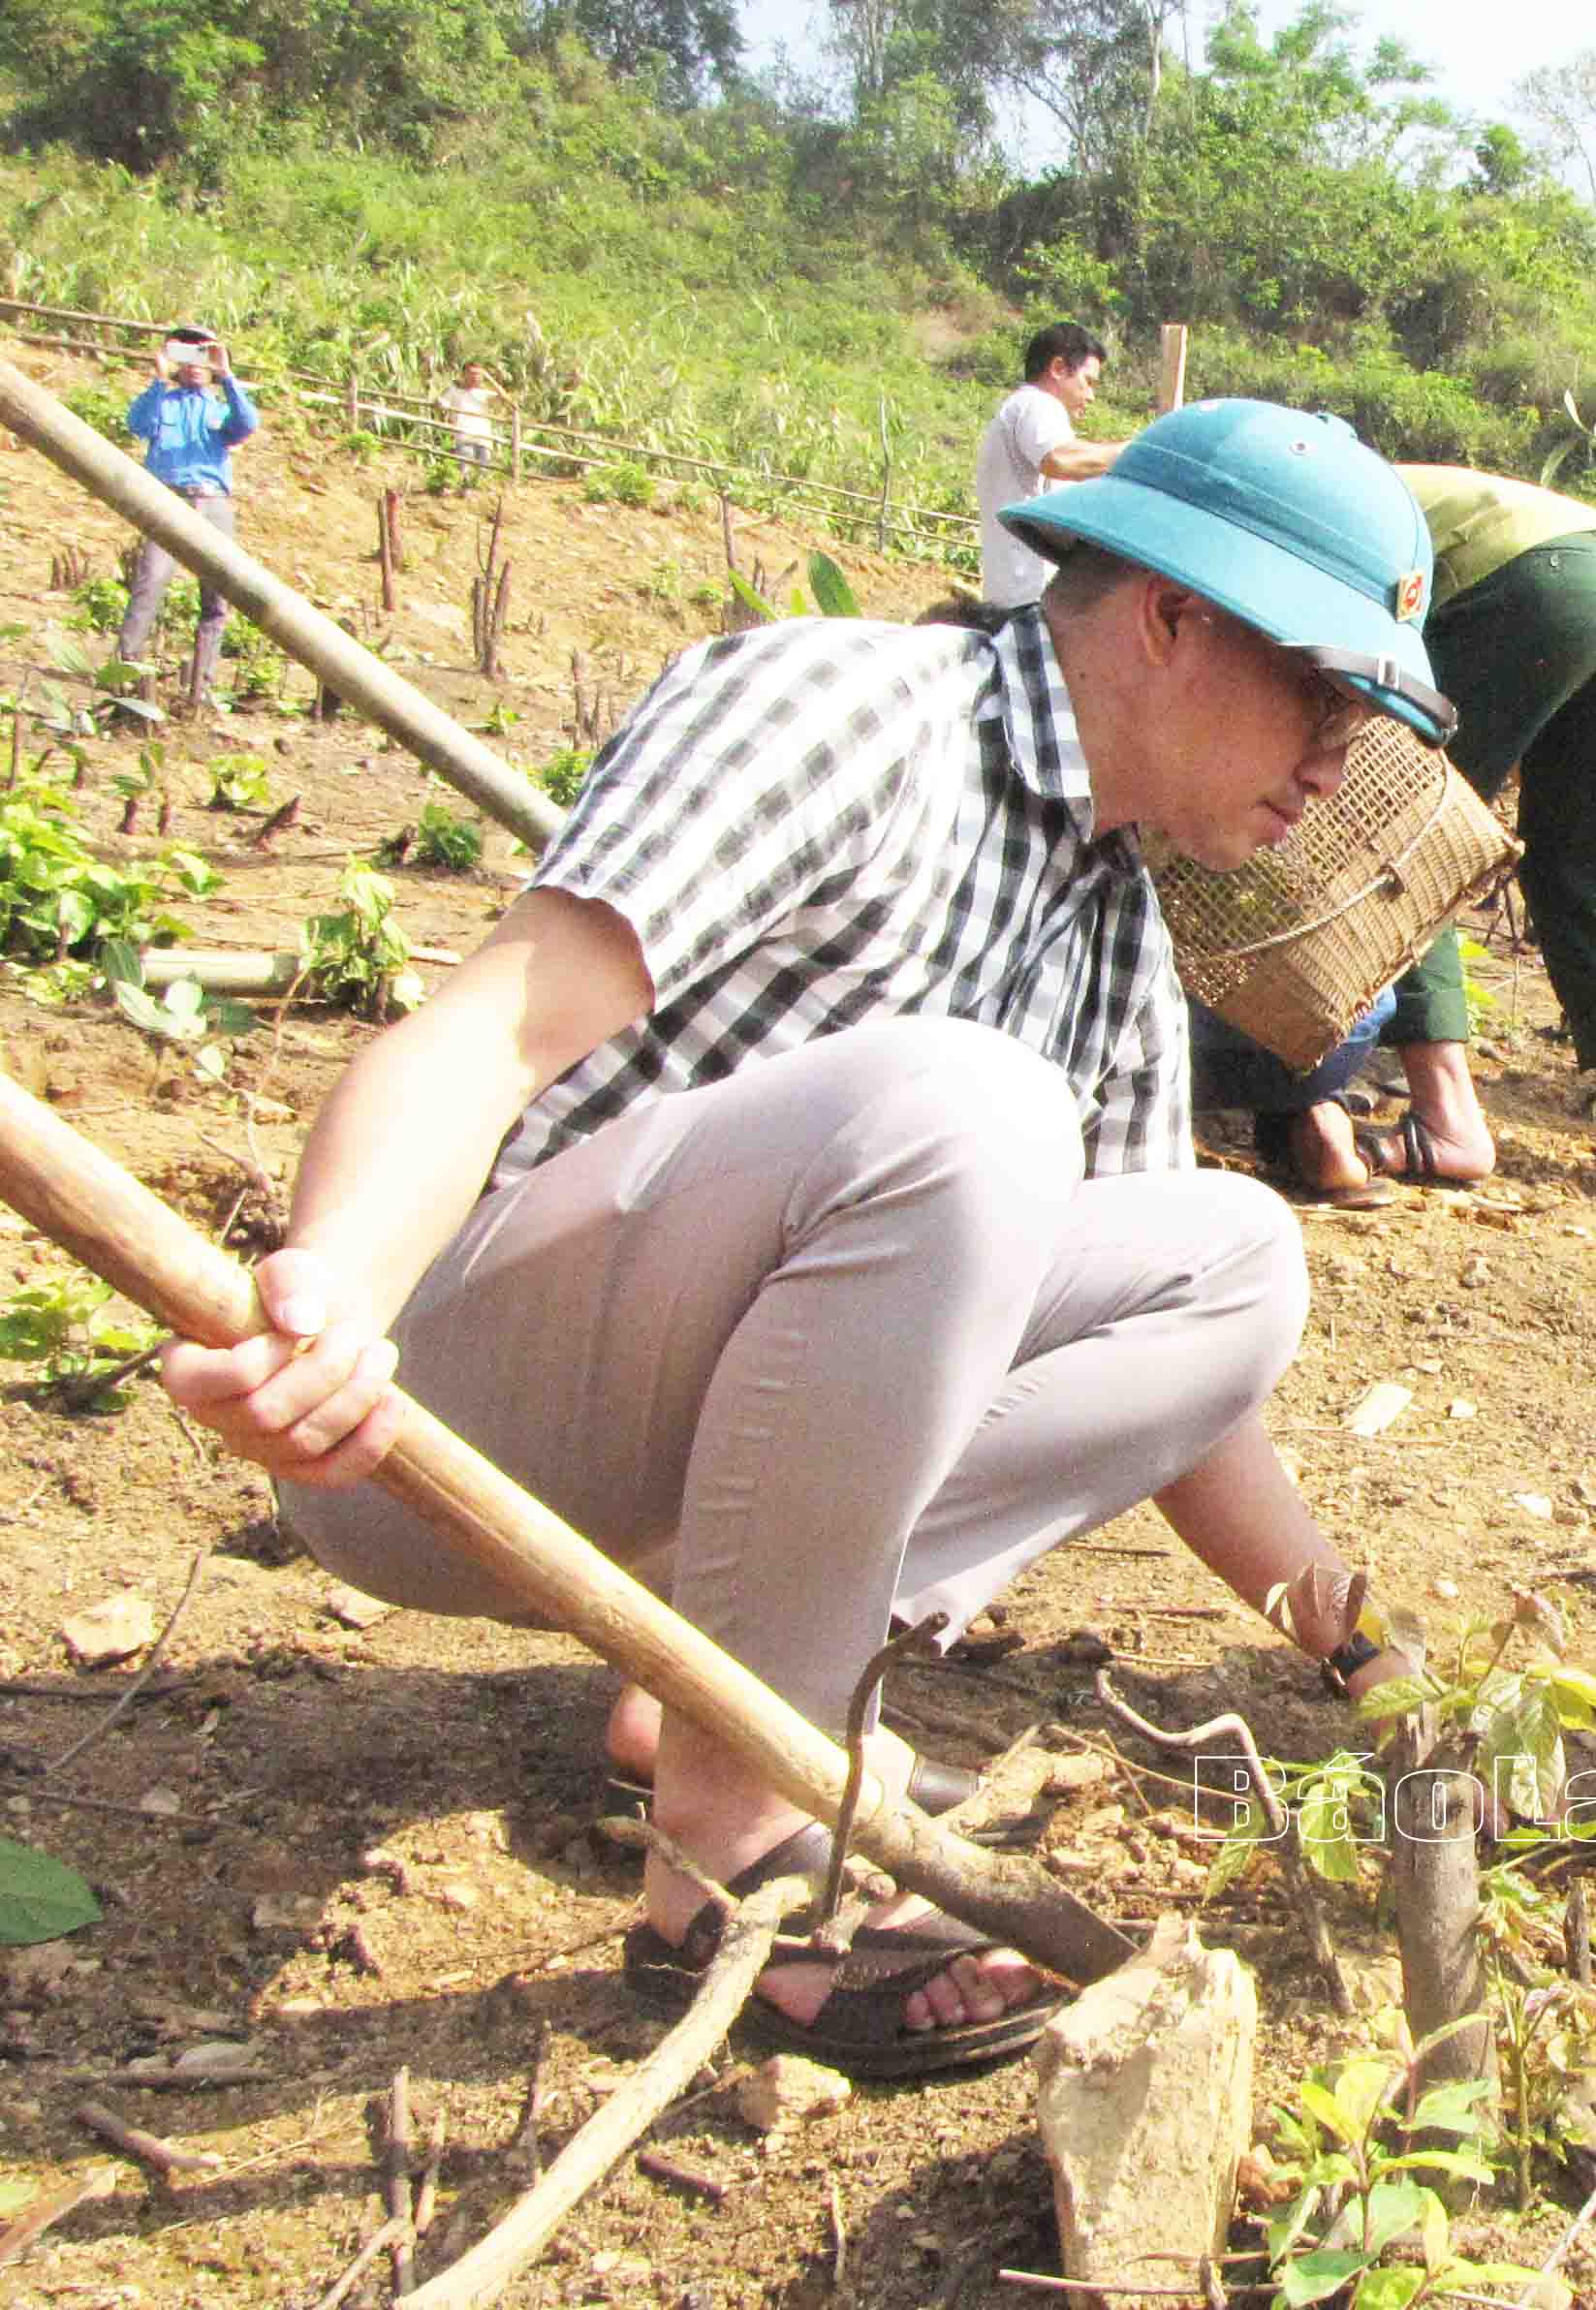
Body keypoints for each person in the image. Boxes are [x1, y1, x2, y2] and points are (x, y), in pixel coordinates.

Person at [161, 399, 1457, 2079]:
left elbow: (1179, 1403)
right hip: (453, 1418)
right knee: (967, 1107)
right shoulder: (850, 710)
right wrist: (325, 1297)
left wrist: (1369, 1654)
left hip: (671, 1474)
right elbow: (494, 1028)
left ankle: (724, 1682)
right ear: (1171, 614)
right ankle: (733, 1846)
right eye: (1323, 691)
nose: (1333, 759)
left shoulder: (1111, 928)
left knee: (1230, 1259)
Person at [1196, 464, 1596, 1202]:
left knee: (1406, 839)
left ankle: (1448, 1120)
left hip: (1528, 583)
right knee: (1587, 864)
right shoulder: (1410, 486)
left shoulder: (1286, 496)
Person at [117, 325, 260, 706]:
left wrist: (227, 375)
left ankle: (202, 687)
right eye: (187, 355)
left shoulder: (220, 407)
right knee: (150, 582)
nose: (196, 365)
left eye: (203, 355)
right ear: (175, 362)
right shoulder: (162, 401)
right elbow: (136, 424)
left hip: (213, 502)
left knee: (217, 596)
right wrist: (158, 379)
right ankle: (124, 669)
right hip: (168, 499)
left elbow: (247, 425)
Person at [975, 323, 1122, 613]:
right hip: (1029, 594)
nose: (1091, 396)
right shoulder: (1037, 404)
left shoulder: (1019, 410)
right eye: (1088, 381)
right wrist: (1141, 451)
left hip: (1015, 592)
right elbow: (1061, 459)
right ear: (1058, 368)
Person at [440, 359, 513, 477]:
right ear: (464, 374)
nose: (474, 377)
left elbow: (506, 399)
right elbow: (441, 404)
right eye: (471, 373)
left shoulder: (483, 393)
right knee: (465, 474)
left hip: (483, 439)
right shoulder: (453, 391)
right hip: (464, 438)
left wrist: (489, 378)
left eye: (477, 374)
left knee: (483, 476)